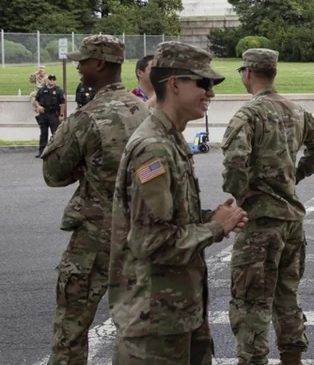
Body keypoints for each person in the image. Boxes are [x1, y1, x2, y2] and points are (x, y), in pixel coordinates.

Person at [109, 42, 248, 365]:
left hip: (176, 315)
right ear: (174, 84)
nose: (210, 93)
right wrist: (215, 228)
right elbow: (152, 243)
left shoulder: (170, 138)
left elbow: (170, 219)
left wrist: (212, 217)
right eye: (203, 83)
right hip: (154, 327)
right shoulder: (154, 148)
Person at [40, 35, 149, 365]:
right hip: (140, 234)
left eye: (83, 61)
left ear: (99, 64)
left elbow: (53, 174)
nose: (79, 67)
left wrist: (86, 165)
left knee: (71, 330)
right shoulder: (145, 112)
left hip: (95, 238)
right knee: (135, 330)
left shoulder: (87, 117)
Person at [221, 48, 314, 365]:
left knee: (250, 301)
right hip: (291, 220)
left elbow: (234, 161)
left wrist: (240, 193)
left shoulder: (248, 115)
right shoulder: (296, 111)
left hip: (261, 220)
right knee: (287, 295)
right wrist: (295, 174)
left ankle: (253, 359)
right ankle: (292, 358)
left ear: (248, 73)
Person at [33, 74, 66, 158]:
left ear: (55, 81)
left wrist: (61, 115)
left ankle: (56, 152)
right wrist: (38, 106)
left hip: (53, 114)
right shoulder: (42, 90)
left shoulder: (59, 90)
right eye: (50, 79)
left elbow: (62, 103)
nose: (51, 81)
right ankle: (42, 152)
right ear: (47, 80)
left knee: (55, 134)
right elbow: (36, 100)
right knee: (43, 134)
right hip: (43, 114)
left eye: (53, 79)